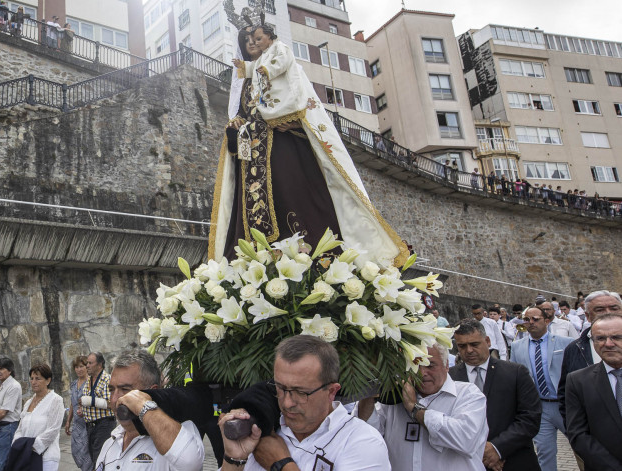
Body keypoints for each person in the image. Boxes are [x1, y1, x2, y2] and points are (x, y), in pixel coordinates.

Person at [211, 24, 406, 266]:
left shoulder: (288, 69)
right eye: (245, 40)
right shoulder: (243, 85)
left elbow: (306, 107)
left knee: (291, 194)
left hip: (284, 144)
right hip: (253, 159)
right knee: (253, 213)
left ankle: (310, 257)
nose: (251, 43)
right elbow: (241, 114)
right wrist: (235, 125)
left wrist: (294, 124)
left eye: (255, 38)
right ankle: (254, 260)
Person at [220, 335, 390, 471]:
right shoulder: (262, 429)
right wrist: (234, 459)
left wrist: (281, 464)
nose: (287, 403)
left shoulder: (361, 441)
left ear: (331, 391)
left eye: (301, 392)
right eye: (280, 388)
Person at [357, 343, 487, 471]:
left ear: (446, 365)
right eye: (415, 365)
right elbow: (366, 436)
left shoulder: (468, 394)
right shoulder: (392, 398)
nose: (422, 372)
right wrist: (369, 391)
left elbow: (465, 440)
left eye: (430, 365)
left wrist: (415, 409)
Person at [449, 320, 542, 471]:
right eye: (462, 346)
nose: (469, 350)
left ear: (487, 341)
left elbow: (530, 418)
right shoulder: (450, 378)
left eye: (474, 344)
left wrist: (497, 448)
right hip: (466, 462)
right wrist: (481, 452)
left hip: (514, 460)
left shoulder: (516, 373)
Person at [96, 349, 204, 471]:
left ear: (153, 390)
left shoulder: (179, 434)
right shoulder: (109, 444)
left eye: (125, 389)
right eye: (111, 390)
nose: (115, 399)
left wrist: (144, 406)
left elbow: (190, 463)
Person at [509, 307, 573, 471]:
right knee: (545, 452)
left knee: (581, 447)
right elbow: (515, 377)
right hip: (540, 407)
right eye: (527, 320)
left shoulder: (564, 343)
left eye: (535, 319)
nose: (531, 323)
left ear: (547, 321)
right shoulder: (517, 346)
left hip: (565, 405)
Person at [564, 313, 622, 470]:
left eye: (616, 337)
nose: (608, 344)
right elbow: (578, 434)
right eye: (600, 338)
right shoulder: (578, 381)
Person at [558, 290, 622, 422]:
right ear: (587, 316)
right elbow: (567, 398)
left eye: (613, 308)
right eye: (600, 309)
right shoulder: (574, 349)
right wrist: (579, 436)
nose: (608, 312)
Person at [11, 363, 65, 471]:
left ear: (48, 381)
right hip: (26, 455)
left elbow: (53, 430)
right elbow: (20, 428)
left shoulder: (56, 400)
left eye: (38, 378)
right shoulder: (28, 402)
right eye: (32, 378)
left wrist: (32, 446)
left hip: (46, 457)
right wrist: (18, 443)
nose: (34, 382)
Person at [81, 352, 114, 464]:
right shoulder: (88, 380)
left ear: (99, 365)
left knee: (99, 459)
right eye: (87, 363)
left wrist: (91, 401)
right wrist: (83, 409)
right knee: (93, 458)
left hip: (104, 425)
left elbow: (111, 403)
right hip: (90, 426)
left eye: (90, 363)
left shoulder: (107, 379)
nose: (87, 366)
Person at [65, 356, 93, 471]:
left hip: (88, 422)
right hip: (77, 423)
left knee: (87, 451)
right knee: (76, 450)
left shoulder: (91, 383)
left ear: (86, 367)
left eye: (81, 366)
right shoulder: (73, 384)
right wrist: (68, 420)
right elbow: (72, 403)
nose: (79, 369)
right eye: (76, 367)